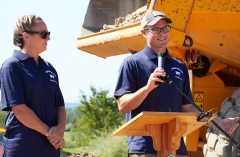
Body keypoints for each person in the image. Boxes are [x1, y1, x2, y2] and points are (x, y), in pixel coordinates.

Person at [114, 10, 239, 157]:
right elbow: (123, 106)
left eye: (165, 28)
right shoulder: (132, 64)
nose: (162, 33)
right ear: (144, 32)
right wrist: (147, 88)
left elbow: (188, 109)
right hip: (144, 149)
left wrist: (216, 122)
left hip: (176, 148)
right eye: (156, 29)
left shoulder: (179, 66)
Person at [0, 14, 66, 157]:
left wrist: (60, 130)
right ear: (26, 36)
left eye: (48, 34)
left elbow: (60, 105)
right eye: (43, 34)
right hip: (22, 149)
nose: (48, 38)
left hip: (50, 149)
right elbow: (19, 109)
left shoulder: (49, 67)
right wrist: (50, 133)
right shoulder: (11, 66)